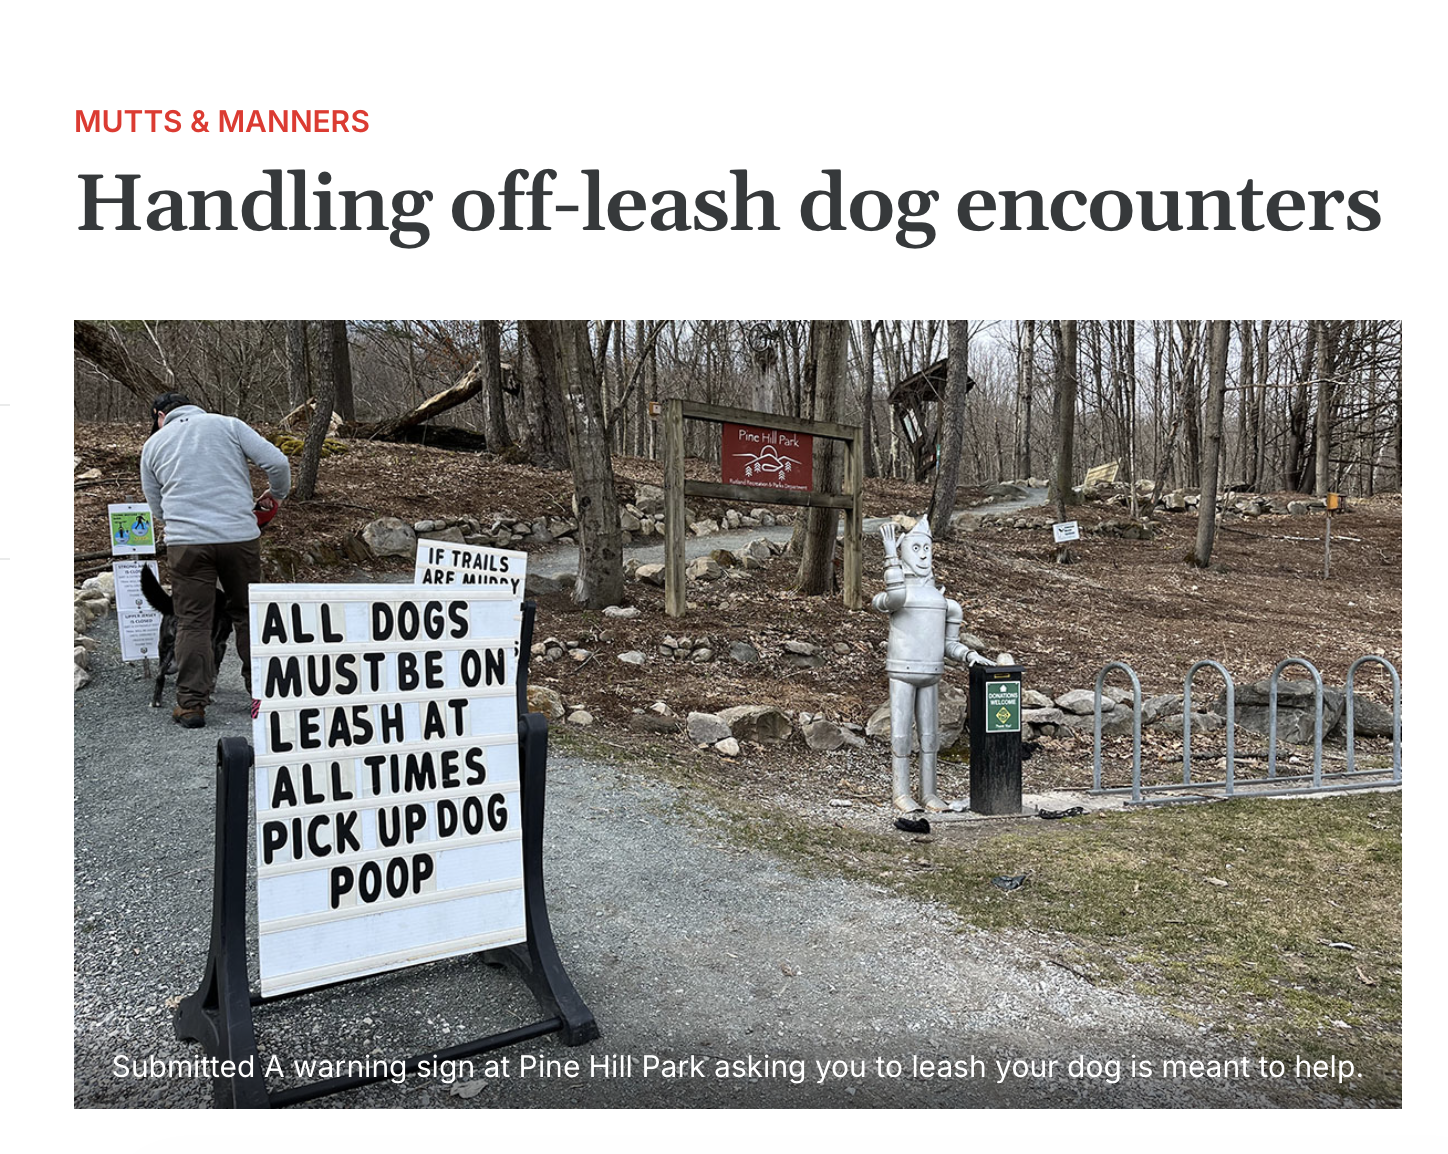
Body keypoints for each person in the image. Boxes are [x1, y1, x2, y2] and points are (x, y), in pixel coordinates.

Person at [140, 392, 291, 728]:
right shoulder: (229, 425)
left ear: (160, 415)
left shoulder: (154, 443)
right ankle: (263, 698)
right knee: (249, 615)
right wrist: (276, 494)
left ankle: (191, 705)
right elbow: (278, 463)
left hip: (187, 543)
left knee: (193, 621)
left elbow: (156, 504)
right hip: (239, 536)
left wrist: (181, 523)